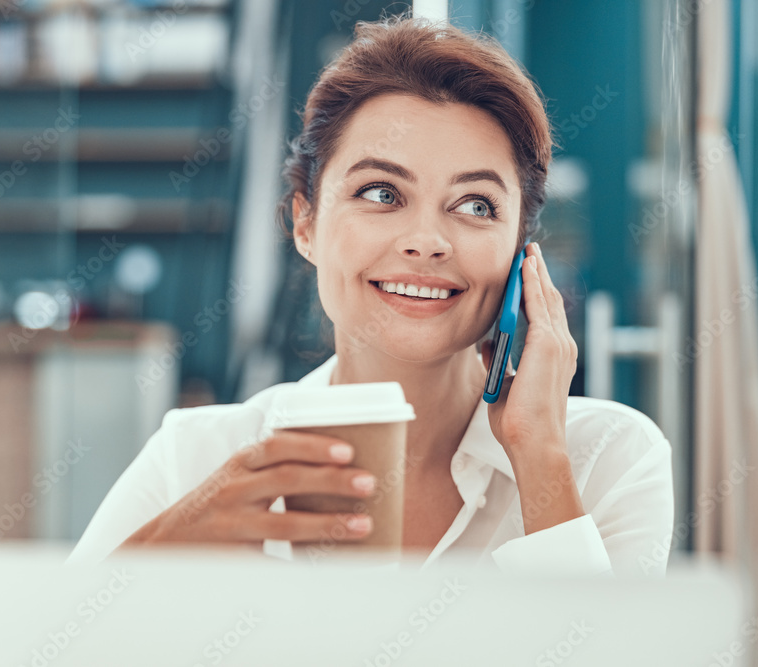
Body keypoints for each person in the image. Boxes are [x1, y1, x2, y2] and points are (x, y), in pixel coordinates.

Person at [66, 13, 675, 577]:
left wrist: (540, 456)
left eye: (475, 205)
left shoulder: (608, 458)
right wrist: (158, 555)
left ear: (523, 253)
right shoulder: (196, 458)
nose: (427, 241)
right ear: (305, 224)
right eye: (382, 193)